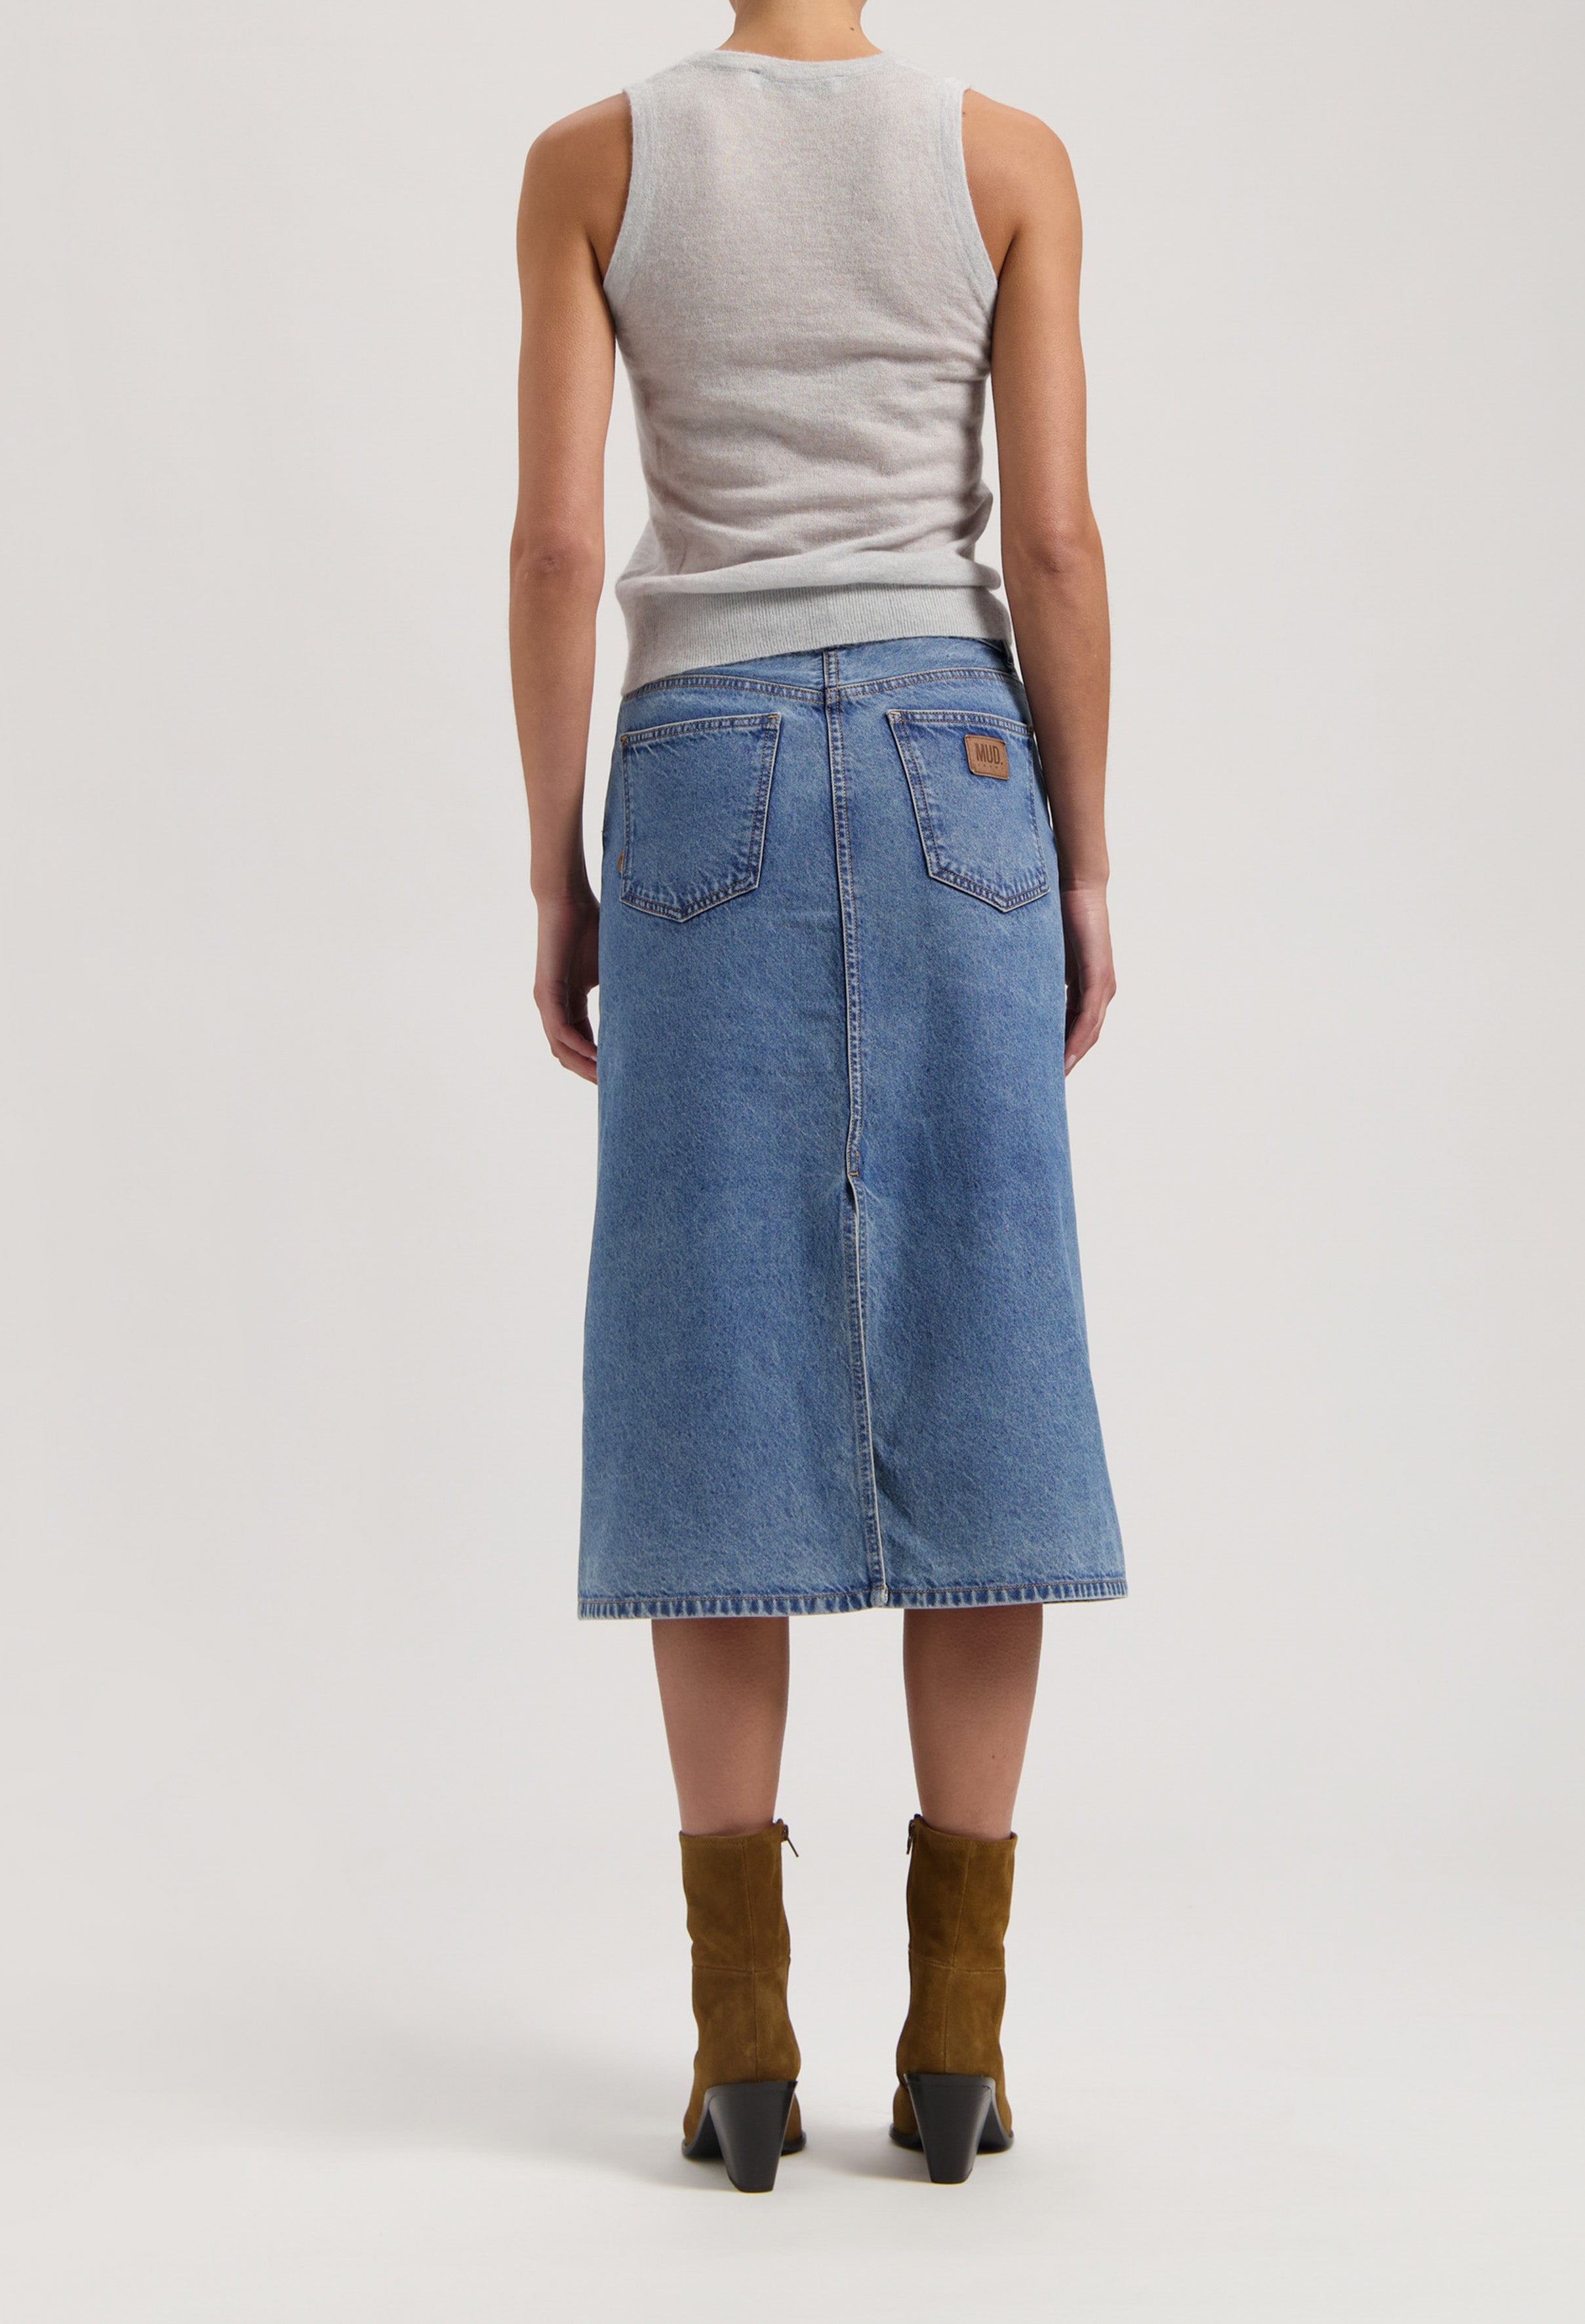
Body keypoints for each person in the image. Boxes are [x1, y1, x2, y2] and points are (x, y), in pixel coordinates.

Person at [509, 0, 1125, 2191]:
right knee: (981, 1342)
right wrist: (1080, 853)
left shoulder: (594, 156)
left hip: (695, 769)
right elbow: (1045, 544)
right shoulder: (1003, 157)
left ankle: (743, 2056)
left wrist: (555, 863)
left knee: (714, 1365)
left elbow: (563, 550)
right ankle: (952, 2056)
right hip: (959, 759)